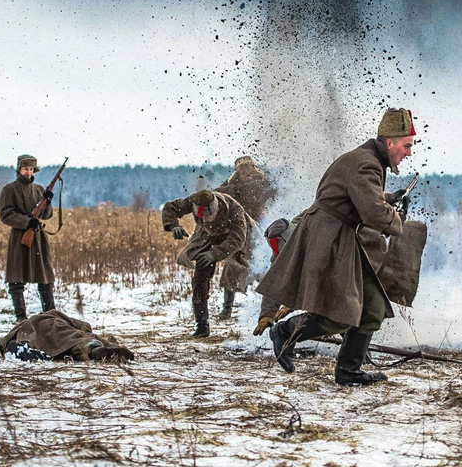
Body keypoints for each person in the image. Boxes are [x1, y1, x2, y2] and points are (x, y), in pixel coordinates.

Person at [256, 108, 416, 386]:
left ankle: (348, 371)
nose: (409, 152)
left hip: (338, 237)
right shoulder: (367, 163)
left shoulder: (365, 159)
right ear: (389, 142)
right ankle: (285, 332)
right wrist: (397, 218)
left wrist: (390, 198)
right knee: (340, 313)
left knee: (372, 307)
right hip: (330, 239)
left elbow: (359, 193)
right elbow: (374, 213)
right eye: (406, 146)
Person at [162, 189, 250, 337]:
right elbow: (170, 207)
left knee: (244, 268)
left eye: (209, 216)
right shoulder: (194, 200)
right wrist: (173, 225)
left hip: (237, 238)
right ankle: (202, 325)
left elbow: (238, 239)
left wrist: (215, 254)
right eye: (201, 217)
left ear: (217, 209)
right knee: (199, 280)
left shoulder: (235, 211)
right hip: (208, 236)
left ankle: (256, 310)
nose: (205, 220)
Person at [214, 156, 277, 318]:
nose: (246, 175)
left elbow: (277, 193)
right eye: (242, 172)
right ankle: (227, 309)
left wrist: (267, 208)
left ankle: (268, 310)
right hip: (241, 232)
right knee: (232, 268)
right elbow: (217, 196)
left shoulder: (263, 183)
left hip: (260, 231)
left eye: (248, 171)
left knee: (264, 269)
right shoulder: (232, 186)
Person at [0, 154, 56, 322]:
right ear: (19, 170)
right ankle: (21, 317)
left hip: (38, 238)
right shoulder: (9, 189)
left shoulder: (38, 189)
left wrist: (47, 202)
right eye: (25, 169)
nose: (28, 172)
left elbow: (47, 215)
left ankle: (50, 316)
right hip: (20, 237)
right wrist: (26, 222)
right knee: (16, 278)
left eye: (31, 169)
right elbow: (6, 214)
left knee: (45, 277)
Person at [0, 310, 133, 363]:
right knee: (78, 342)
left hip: (24, 335)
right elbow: (88, 333)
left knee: (24, 345)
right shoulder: (61, 320)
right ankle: (95, 350)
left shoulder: (28, 323)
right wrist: (112, 345)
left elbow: (4, 341)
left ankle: (23, 349)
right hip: (52, 329)